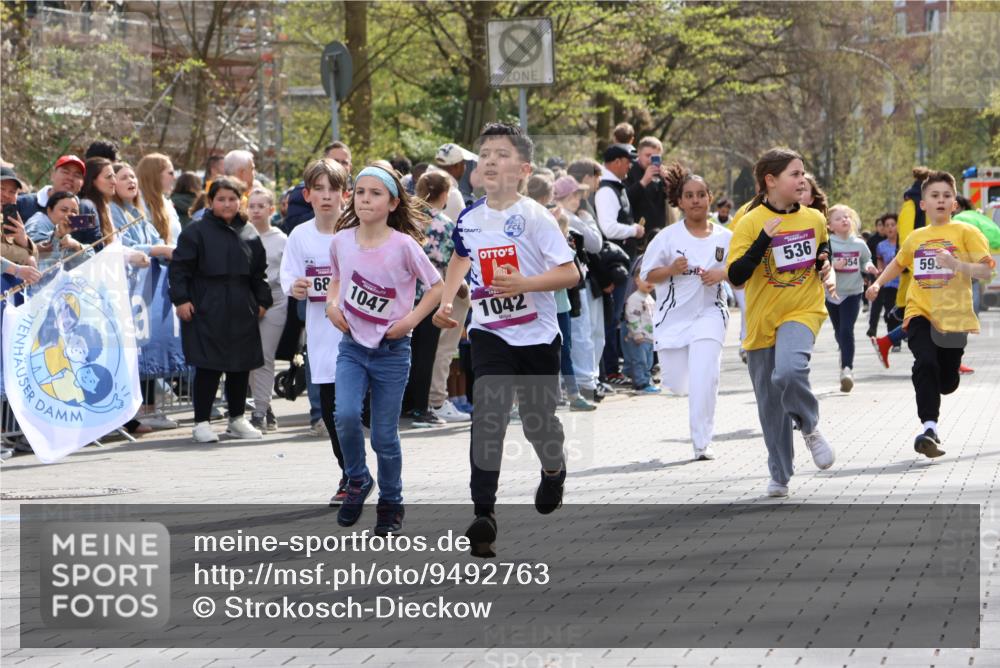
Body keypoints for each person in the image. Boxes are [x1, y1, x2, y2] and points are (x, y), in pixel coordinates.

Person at [433, 122, 580, 558]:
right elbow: (460, 255)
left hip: (536, 337)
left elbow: (571, 273)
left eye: (502, 153)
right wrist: (447, 301)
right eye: (486, 153)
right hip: (489, 333)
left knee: (538, 421)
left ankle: (553, 469)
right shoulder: (470, 217)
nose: (492, 159)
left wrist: (526, 284)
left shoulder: (536, 217)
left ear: (523, 168)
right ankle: (484, 515)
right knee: (489, 418)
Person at [326, 161, 443, 536]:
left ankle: (391, 503)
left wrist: (409, 321)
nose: (365, 199)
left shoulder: (404, 245)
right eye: (360, 192)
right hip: (352, 346)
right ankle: (358, 478)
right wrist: (331, 306)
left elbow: (437, 286)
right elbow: (337, 278)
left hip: (393, 351)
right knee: (343, 415)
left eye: (375, 193)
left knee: (383, 436)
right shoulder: (341, 240)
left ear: (393, 203)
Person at [726, 147, 837, 498]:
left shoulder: (815, 218)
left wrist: (824, 263)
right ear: (770, 181)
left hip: (802, 310)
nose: (802, 179)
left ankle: (809, 426)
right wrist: (764, 240)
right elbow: (736, 276)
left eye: (803, 173)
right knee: (770, 404)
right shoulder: (749, 221)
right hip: (762, 320)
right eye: (794, 174)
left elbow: (823, 249)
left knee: (788, 372)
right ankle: (780, 474)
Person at [865, 170, 993, 458]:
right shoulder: (916, 237)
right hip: (920, 311)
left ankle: (942, 385)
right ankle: (929, 428)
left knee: (946, 381)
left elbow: (986, 270)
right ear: (923, 204)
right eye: (934, 196)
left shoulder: (966, 233)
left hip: (955, 317)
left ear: (954, 205)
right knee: (925, 363)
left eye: (946, 196)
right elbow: (898, 264)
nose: (941, 200)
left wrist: (957, 265)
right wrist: (877, 283)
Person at [169, 177, 272, 443]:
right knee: (209, 365)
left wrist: (262, 302)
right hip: (206, 304)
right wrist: (181, 299)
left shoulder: (248, 231)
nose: (227, 204)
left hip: (241, 305)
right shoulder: (196, 230)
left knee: (240, 365)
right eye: (221, 199)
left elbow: (259, 273)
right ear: (211, 201)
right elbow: (180, 269)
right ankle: (201, 422)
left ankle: (236, 419)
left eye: (232, 199)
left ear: (241, 201)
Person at [640, 163, 732, 460]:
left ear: (709, 198)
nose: (695, 200)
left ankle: (701, 443)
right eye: (689, 195)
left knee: (706, 377)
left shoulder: (725, 237)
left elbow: (740, 273)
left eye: (701, 195)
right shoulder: (667, 237)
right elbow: (647, 277)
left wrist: (721, 275)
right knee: (678, 385)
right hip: (673, 318)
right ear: (679, 201)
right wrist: (670, 269)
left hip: (711, 313)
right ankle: (689, 389)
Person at [280, 159, 351, 504]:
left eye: (333, 189)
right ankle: (349, 473)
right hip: (321, 338)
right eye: (319, 189)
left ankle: (361, 472)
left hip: (357, 337)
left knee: (353, 410)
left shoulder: (355, 233)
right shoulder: (300, 235)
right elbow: (288, 275)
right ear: (307, 195)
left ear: (345, 194)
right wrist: (295, 286)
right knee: (331, 411)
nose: (326, 196)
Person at [414, 171, 471, 424]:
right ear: (445, 195)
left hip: (406, 293)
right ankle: (435, 400)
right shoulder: (445, 224)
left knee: (411, 351)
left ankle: (413, 400)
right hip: (435, 292)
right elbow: (456, 260)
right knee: (440, 349)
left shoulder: (406, 219)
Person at [595, 144, 646, 385]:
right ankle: (610, 370)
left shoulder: (616, 187)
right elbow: (608, 227)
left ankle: (613, 369)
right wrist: (634, 229)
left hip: (622, 260)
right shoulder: (607, 190)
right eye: (628, 161)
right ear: (616, 162)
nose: (630, 166)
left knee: (617, 317)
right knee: (612, 318)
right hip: (613, 264)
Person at [554, 175, 604, 402]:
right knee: (577, 338)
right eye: (576, 195)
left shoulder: (565, 216)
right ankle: (582, 385)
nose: (579, 200)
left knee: (576, 338)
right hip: (570, 289)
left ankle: (575, 385)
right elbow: (596, 242)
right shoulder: (568, 218)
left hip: (571, 287)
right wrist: (588, 220)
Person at [245, 187, 287, 433]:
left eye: (261, 206)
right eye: (252, 206)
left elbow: (289, 273)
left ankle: (259, 410)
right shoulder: (243, 235)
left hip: (275, 300)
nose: (256, 210)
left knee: (264, 355)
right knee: (250, 358)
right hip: (248, 303)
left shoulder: (282, 240)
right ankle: (264, 403)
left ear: (271, 210)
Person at [825, 204, 877, 392]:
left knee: (847, 330)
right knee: (839, 332)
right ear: (830, 226)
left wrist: (869, 267)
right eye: (839, 218)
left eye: (847, 217)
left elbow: (866, 260)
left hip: (853, 293)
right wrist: (832, 264)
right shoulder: (828, 243)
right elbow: (819, 263)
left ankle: (847, 370)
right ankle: (844, 354)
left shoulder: (859, 243)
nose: (844, 220)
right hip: (831, 294)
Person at [16, 155, 96, 223]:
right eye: (65, 172)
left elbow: (96, 240)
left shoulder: (86, 211)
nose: (70, 178)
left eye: (77, 175)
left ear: (82, 183)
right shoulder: (23, 203)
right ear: (52, 175)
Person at [622, 265, 658, 393]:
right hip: (639, 337)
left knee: (648, 362)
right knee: (640, 361)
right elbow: (632, 316)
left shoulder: (650, 298)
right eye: (644, 279)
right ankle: (640, 383)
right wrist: (637, 333)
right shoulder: (634, 298)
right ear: (637, 280)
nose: (649, 283)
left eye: (651, 279)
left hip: (649, 337)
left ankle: (647, 380)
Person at [625, 136, 668, 236]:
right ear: (639, 153)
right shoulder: (628, 170)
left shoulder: (661, 173)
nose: (650, 160)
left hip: (658, 231)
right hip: (636, 232)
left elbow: (673, 200)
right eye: (648, 155)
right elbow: (625, 199)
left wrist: (668, 181)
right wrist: (643, 181)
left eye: (655, 157)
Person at [136, 154, 182, 246]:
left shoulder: (166, 202)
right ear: (154, 175)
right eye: (170, 173)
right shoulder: (137, 202)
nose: (174, 177)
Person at [866, 213, 893, 336]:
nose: (884, 228)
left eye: (886, 225)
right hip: (876, 273)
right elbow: (867, 258)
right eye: (881, 225)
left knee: (890, 304)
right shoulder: (873, 241)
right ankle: (872, 328)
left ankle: (895, 329)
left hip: (892, 276)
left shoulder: (894, 240)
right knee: (876, 303)